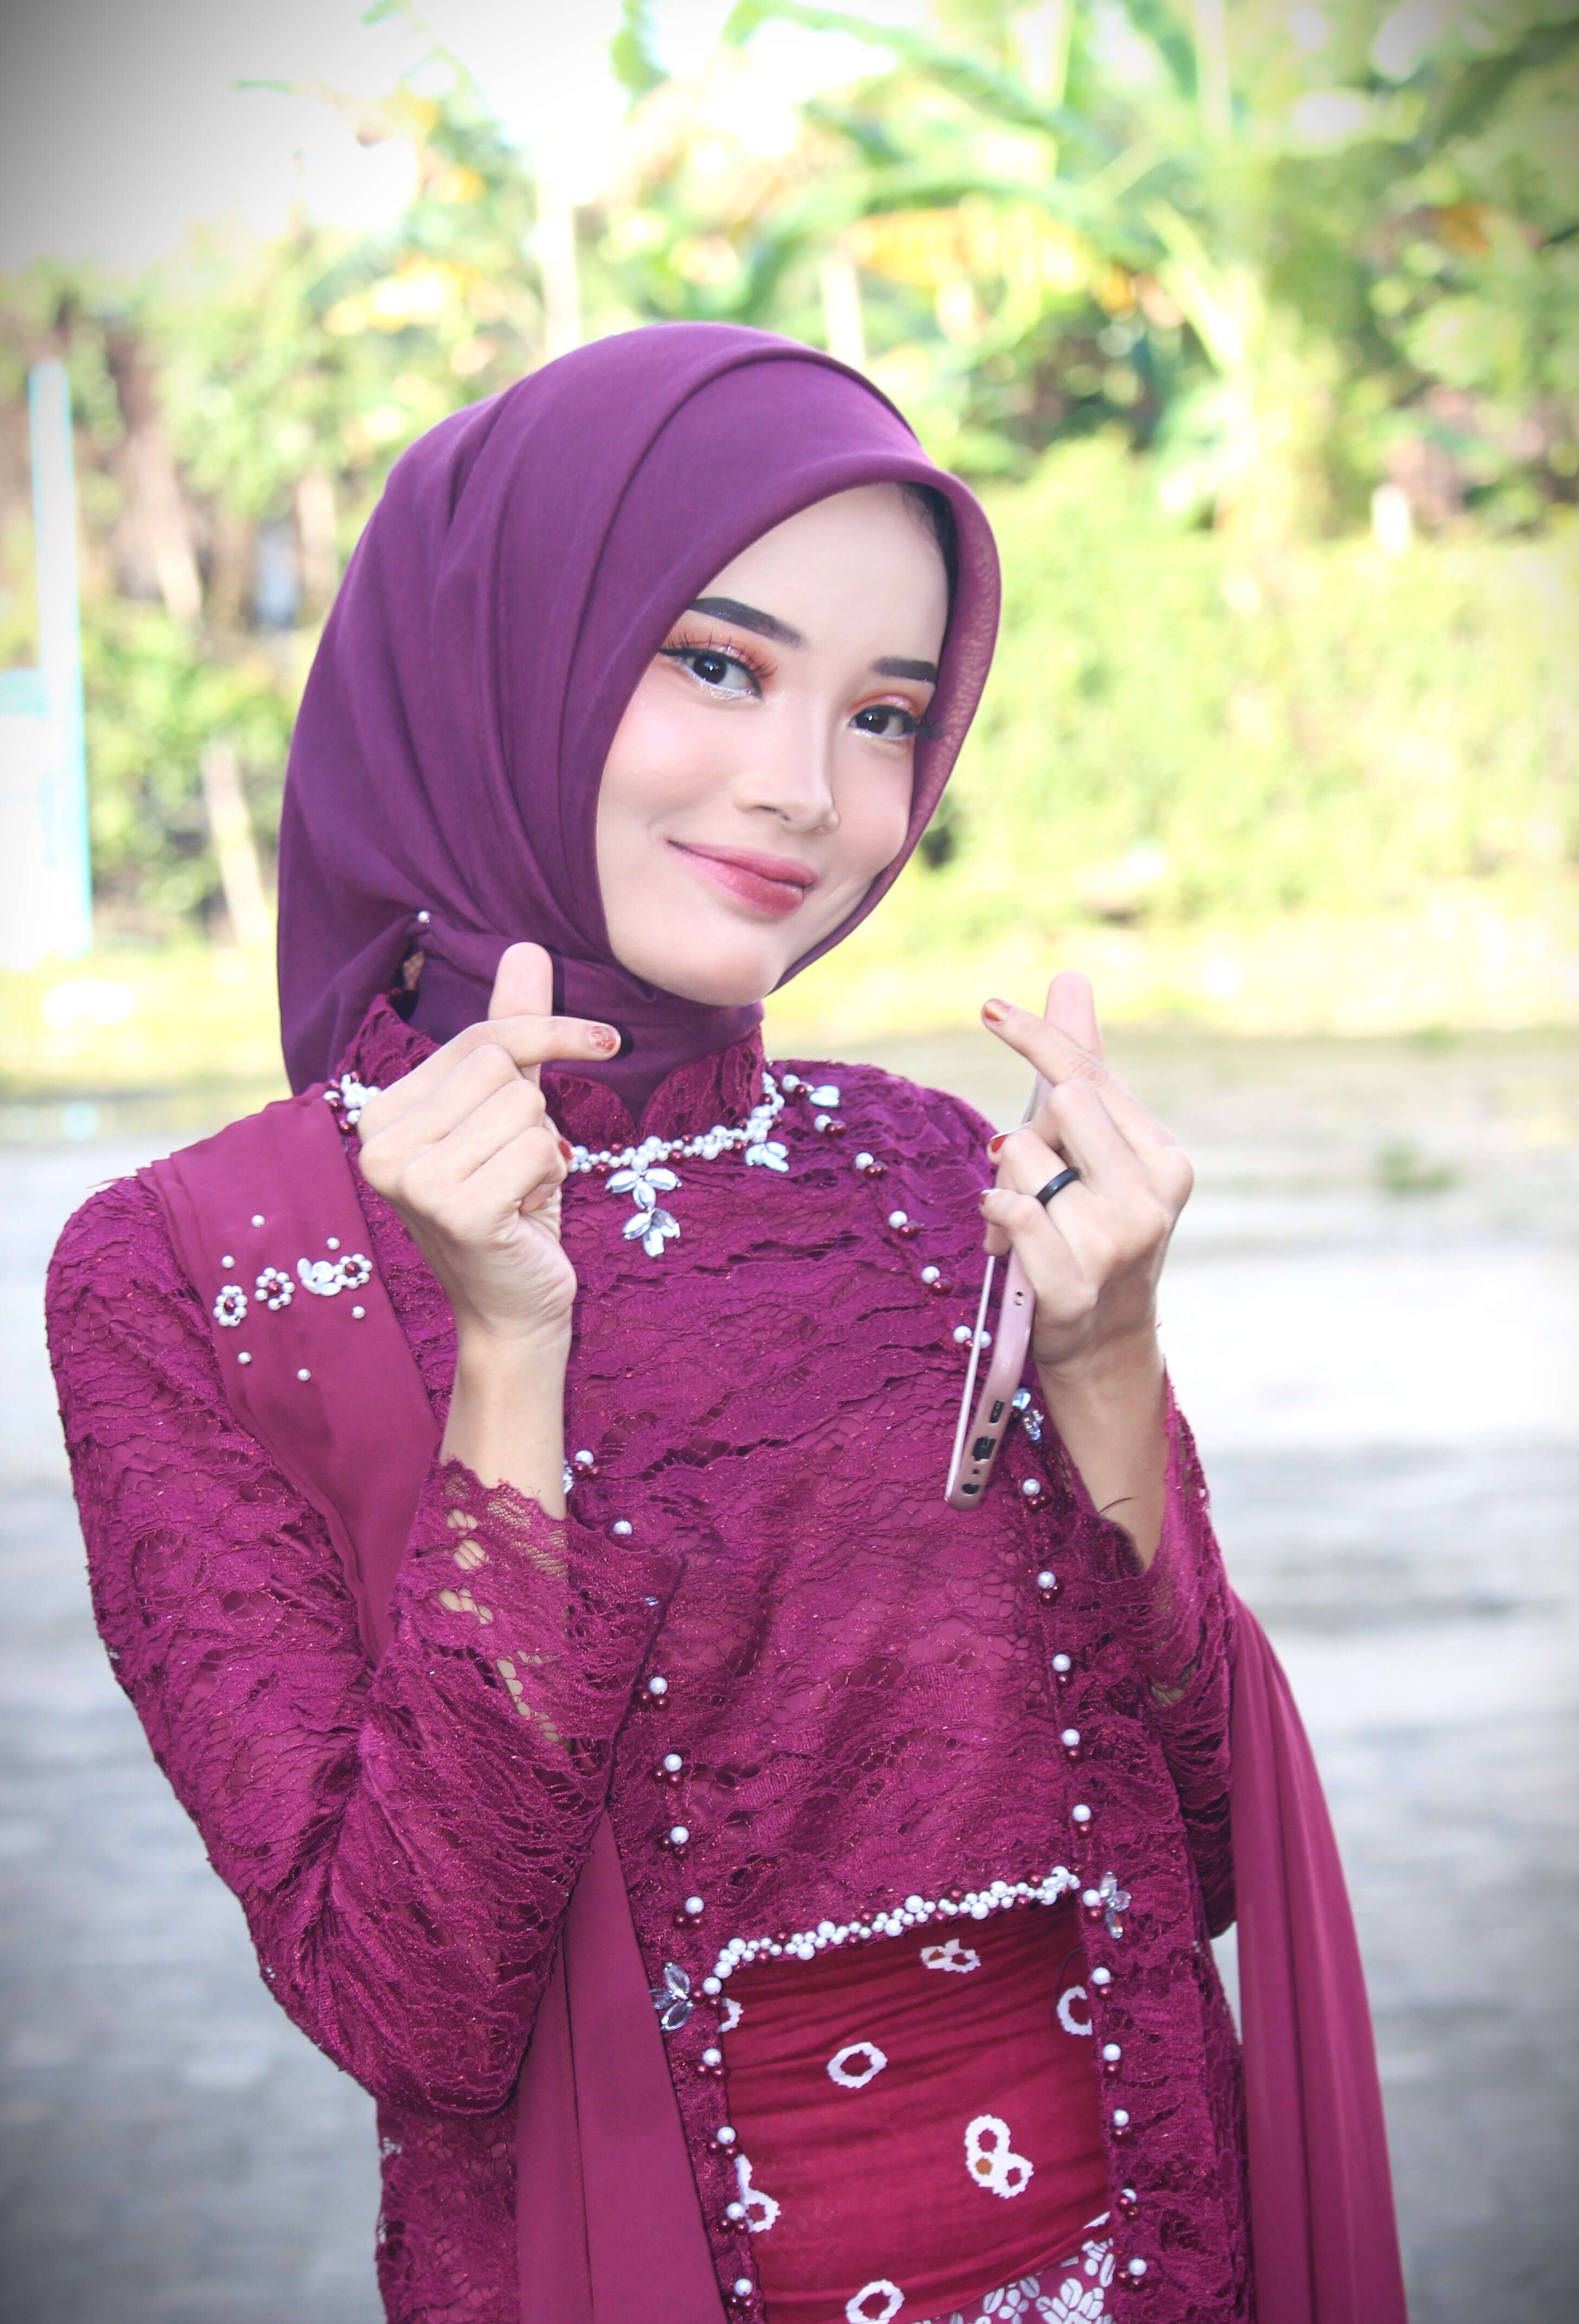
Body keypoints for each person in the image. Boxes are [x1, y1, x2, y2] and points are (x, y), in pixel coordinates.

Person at [46, 324, 1404, 2324]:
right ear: (507, 651)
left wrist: (1109, 1355)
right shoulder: (202, 1269)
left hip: (1148, 2260)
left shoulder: (936, 1172)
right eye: (714, 663)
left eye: (885, 713)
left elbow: (1201, 1856)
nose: (803, 792)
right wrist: (509, 1362)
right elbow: (420, 2012)